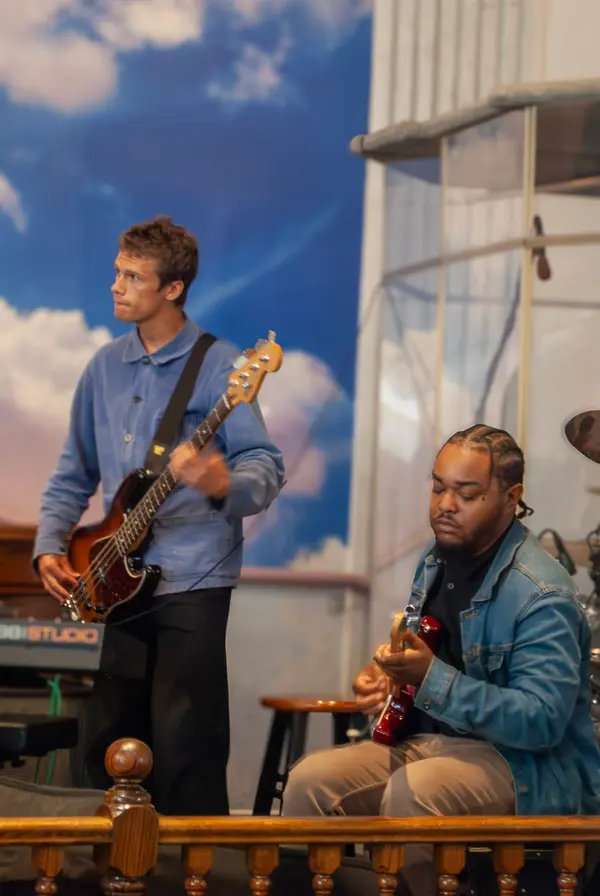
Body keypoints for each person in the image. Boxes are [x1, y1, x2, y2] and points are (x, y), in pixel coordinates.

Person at [33, 215, 284, 816]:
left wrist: (224, 482)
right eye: (117, 272)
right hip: (112, 581)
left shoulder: (221, 365)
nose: (116, 286)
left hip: (192, 580)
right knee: (105, 747)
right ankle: (106, 861)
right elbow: (73, 471)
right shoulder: (102, 367)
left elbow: (265, 466)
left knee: (185, 749)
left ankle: (189, 863)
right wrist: (48, 546)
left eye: (132, 277)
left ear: (173, 288)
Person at [282, 425, 600, 895]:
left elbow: (541, 722)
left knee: (416, 791)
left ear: (511, 498)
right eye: (438, 488)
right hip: (430, 742)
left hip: (525, 766)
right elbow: (428, 647)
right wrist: (389, 675)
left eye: (466, 494)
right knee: (310, 782)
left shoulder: (542, 594)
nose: (445, 505)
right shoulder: (437, 559)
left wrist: (430, 679)